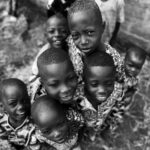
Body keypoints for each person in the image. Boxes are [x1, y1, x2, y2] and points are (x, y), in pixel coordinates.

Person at [82, 51, 116, 141]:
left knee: (97, 125)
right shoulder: (79, 100)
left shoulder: (113, 96)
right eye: (94, 84)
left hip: (100, 119)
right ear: (85, 82)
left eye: (108, 84)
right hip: (84, 123)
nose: (102, 91)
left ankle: (93, 132)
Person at [0, 78, 34, 149]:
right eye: (13, 103)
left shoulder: (35, 117)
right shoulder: (2, 121)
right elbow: (4, 138)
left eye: (24, 100)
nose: (21, 106)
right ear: (2, 106)